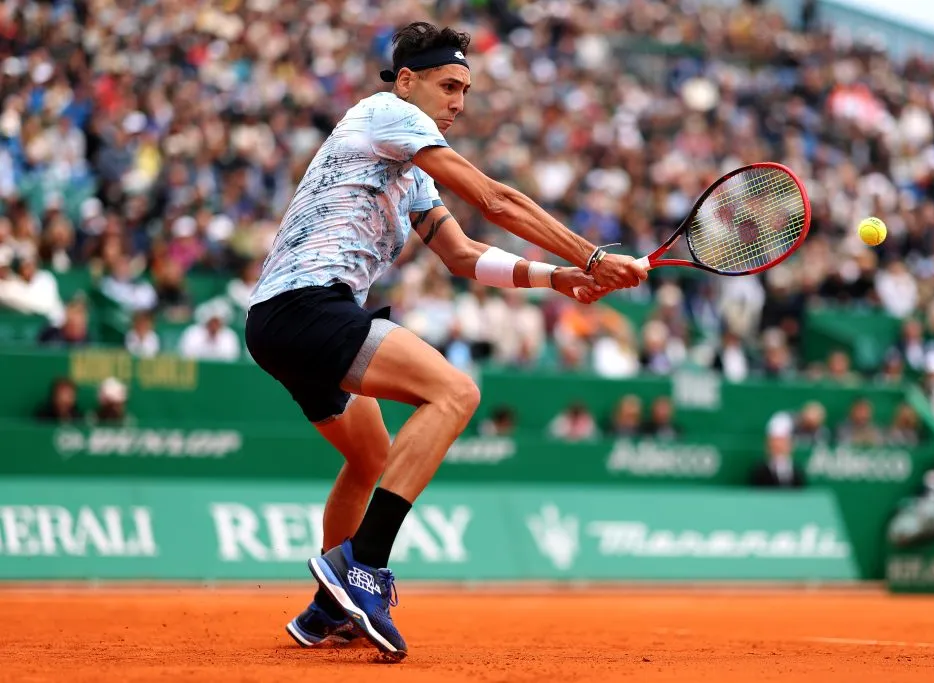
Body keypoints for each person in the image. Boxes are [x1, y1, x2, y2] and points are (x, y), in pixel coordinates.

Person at [243, 22, 645, 660]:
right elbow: (495, 199)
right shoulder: (385, 115)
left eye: (466, 89)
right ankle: (364, 566)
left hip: (284, 321)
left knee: (369, 456)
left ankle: (328, 611)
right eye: (448, 86)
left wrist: (559, 279)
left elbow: (462, 254)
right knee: (455, 393)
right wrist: (592, 255)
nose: (459, 101)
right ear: (408, 81)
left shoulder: (412, 173)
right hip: (307, 309)